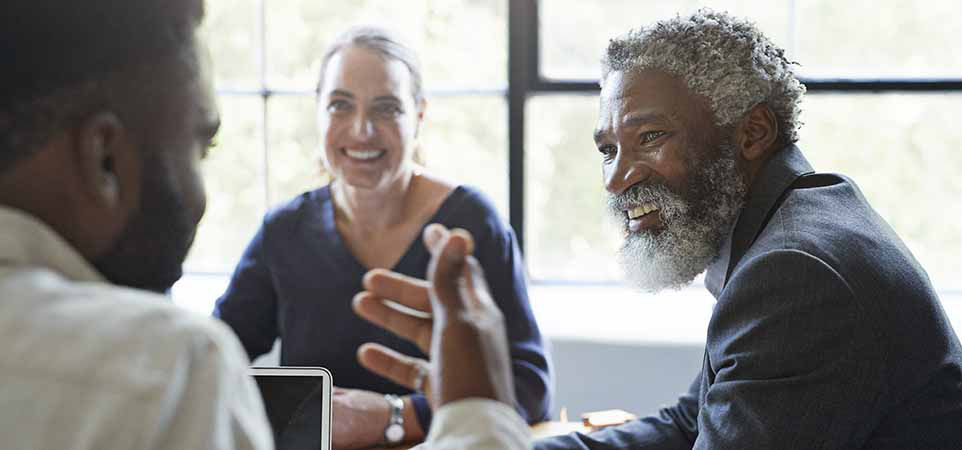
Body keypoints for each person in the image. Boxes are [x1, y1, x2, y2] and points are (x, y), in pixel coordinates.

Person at [354, 9, 962, 450]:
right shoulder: (785, 231)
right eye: (607, 148)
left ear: (752, 134)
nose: (618, 179)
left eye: (650, 137)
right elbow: (686, 423)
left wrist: (479, 431)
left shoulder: (797, 273)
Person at [212, 26, 551, 449]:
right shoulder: (283, 232)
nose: (362, 131)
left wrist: (396, 417)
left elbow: (531, 387)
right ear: (318, 111)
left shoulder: (471, 224)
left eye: (386, 108)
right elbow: (213, 360)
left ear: (420, 115)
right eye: (340, 105)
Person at [0, 1, 272, 449]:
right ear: (104, 159)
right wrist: (433, 414)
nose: (201, 197)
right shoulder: (173, 372)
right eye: (199, 149)